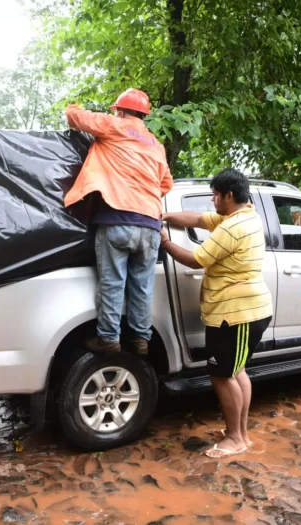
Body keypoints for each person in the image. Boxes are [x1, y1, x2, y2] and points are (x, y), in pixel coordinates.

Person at [161, 169, 273, 458]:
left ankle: (236, 437)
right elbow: (197, 219)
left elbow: (196, 259)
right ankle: (240, 434)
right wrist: (164, 217)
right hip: (242, 312)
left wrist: (165, 242)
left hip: (235, 314)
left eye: (215, 195)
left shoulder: (232, 228)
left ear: (229, 195)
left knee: (222, 375)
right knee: (235, 371)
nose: (212, 200)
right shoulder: (243, 216)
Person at [64, 88, 174, 355]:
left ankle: (109, 338)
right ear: (144, 116)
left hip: (117, 219)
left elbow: (76, 118)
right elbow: (167, 183)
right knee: (142, 286)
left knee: (113, 282)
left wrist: (72, 106)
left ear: (121, 111)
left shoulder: (115, 125)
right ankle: (139, 339)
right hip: (150, 224)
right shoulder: (156, 144)